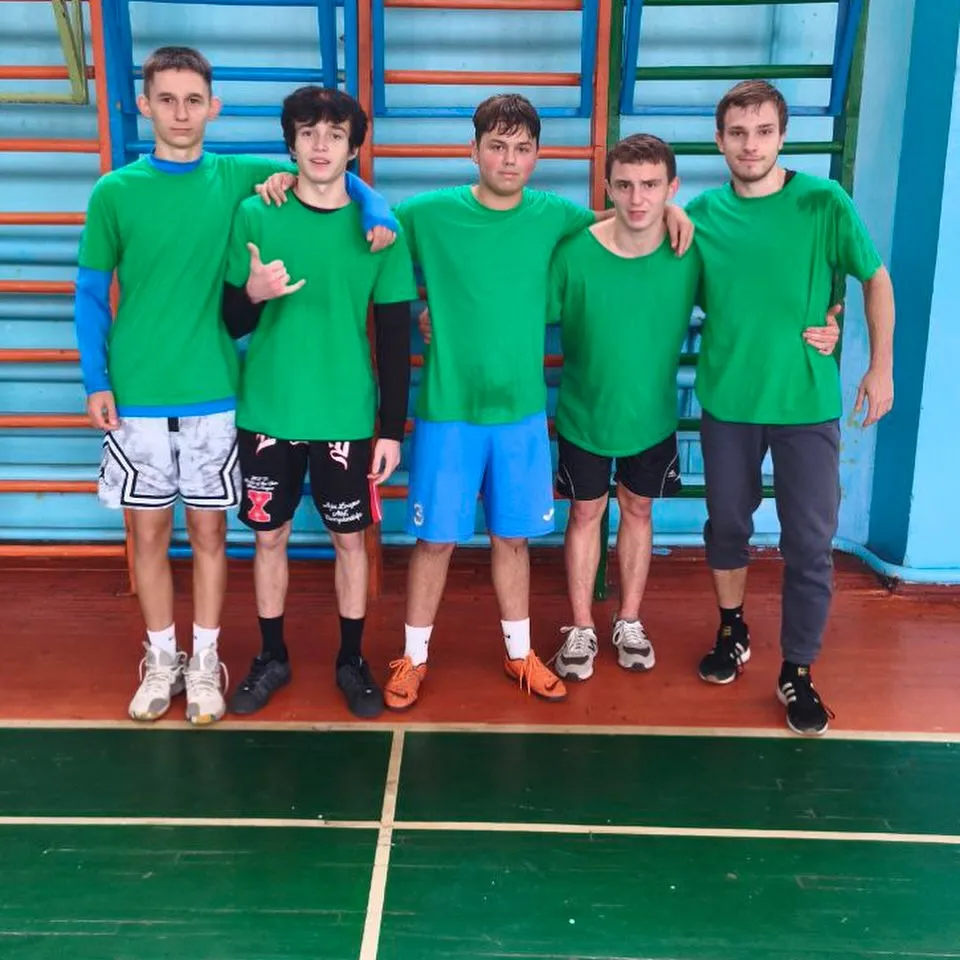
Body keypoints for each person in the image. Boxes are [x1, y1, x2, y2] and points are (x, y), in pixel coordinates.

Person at [74, 46, 397, 725]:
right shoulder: (122, 193)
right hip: (156, 397)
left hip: (228, 397)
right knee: (156, 537)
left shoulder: (245, 179)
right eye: (167, 99)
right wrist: (96, 378)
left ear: (213, 108)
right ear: (145, 105)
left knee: (220, 536)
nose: (181, 112)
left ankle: (222, 660)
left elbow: (337, 175)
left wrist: (379, 209)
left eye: (194, 100)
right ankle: (170, 659)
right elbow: (93, 293)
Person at [380, 96, 694, 711]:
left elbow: (625, 215)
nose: (509, 159)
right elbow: (369, 222)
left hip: (521, 415)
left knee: (513, 540)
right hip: (448, 412)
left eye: (522, 148)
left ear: (537, 156)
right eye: (497, 146)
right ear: (472, 151)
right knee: (435, 542)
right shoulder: (429, 213)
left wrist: (674, 210)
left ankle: (520, 652)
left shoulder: (555, 215)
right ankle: (412, 657)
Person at [550, 133, 839, 682]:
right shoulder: (573, 253)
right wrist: (440, 321)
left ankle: (629, 620)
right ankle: (581, 626)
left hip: (652, 417)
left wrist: (828, 314)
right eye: (625, 185)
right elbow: (523, 313)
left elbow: (752, 295)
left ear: (672, 188)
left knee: (638, 510)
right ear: (608, 187)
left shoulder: (689, 251)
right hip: (583, 414)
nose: (638, 197)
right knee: (585, 514)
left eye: (651, 186)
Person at [689, 80, 895, 735]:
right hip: (728, 403)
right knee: (727, 526)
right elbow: (650, 283)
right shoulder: (698, 216)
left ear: (782, 137)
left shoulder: (823, 202)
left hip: (806, 405)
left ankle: (798, 669)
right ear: (719, 140)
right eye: (737, 133)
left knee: (809, 543)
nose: (750, 145)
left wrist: (879, 366)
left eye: (763, 132)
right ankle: (732, 629)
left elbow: (875, 278)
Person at [221, 86, 416, 718]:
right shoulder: (256, 214)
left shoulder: (381, 232)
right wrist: (252, 293)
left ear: (353, 147)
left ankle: (351, 660)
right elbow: (229, 321)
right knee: (269, 537)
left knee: (350, 540)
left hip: (345, 416)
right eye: (308, 133)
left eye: (335, 134)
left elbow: (394, 336)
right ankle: (271, 656)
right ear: (291, 144)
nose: (321, 145)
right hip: (269, 411)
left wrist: (391, 430)